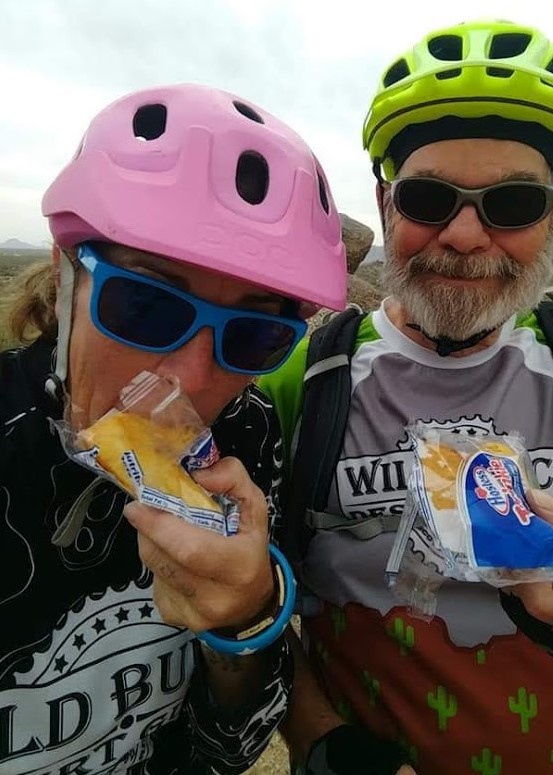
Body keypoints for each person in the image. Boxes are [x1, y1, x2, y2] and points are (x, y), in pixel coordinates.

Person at [260, 19, 553, 775]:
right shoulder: (305, 376)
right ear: (386, 205)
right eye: (428, 197)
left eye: (513, 203)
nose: (467, 235)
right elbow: (254, 605)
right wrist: (321, 740)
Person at [0, 83, 346, 774]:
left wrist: (245, 619)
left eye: (252, 337)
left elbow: (224, 752)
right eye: (145, 305)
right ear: (68, 277)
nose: (190, 378)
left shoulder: (247, 436)